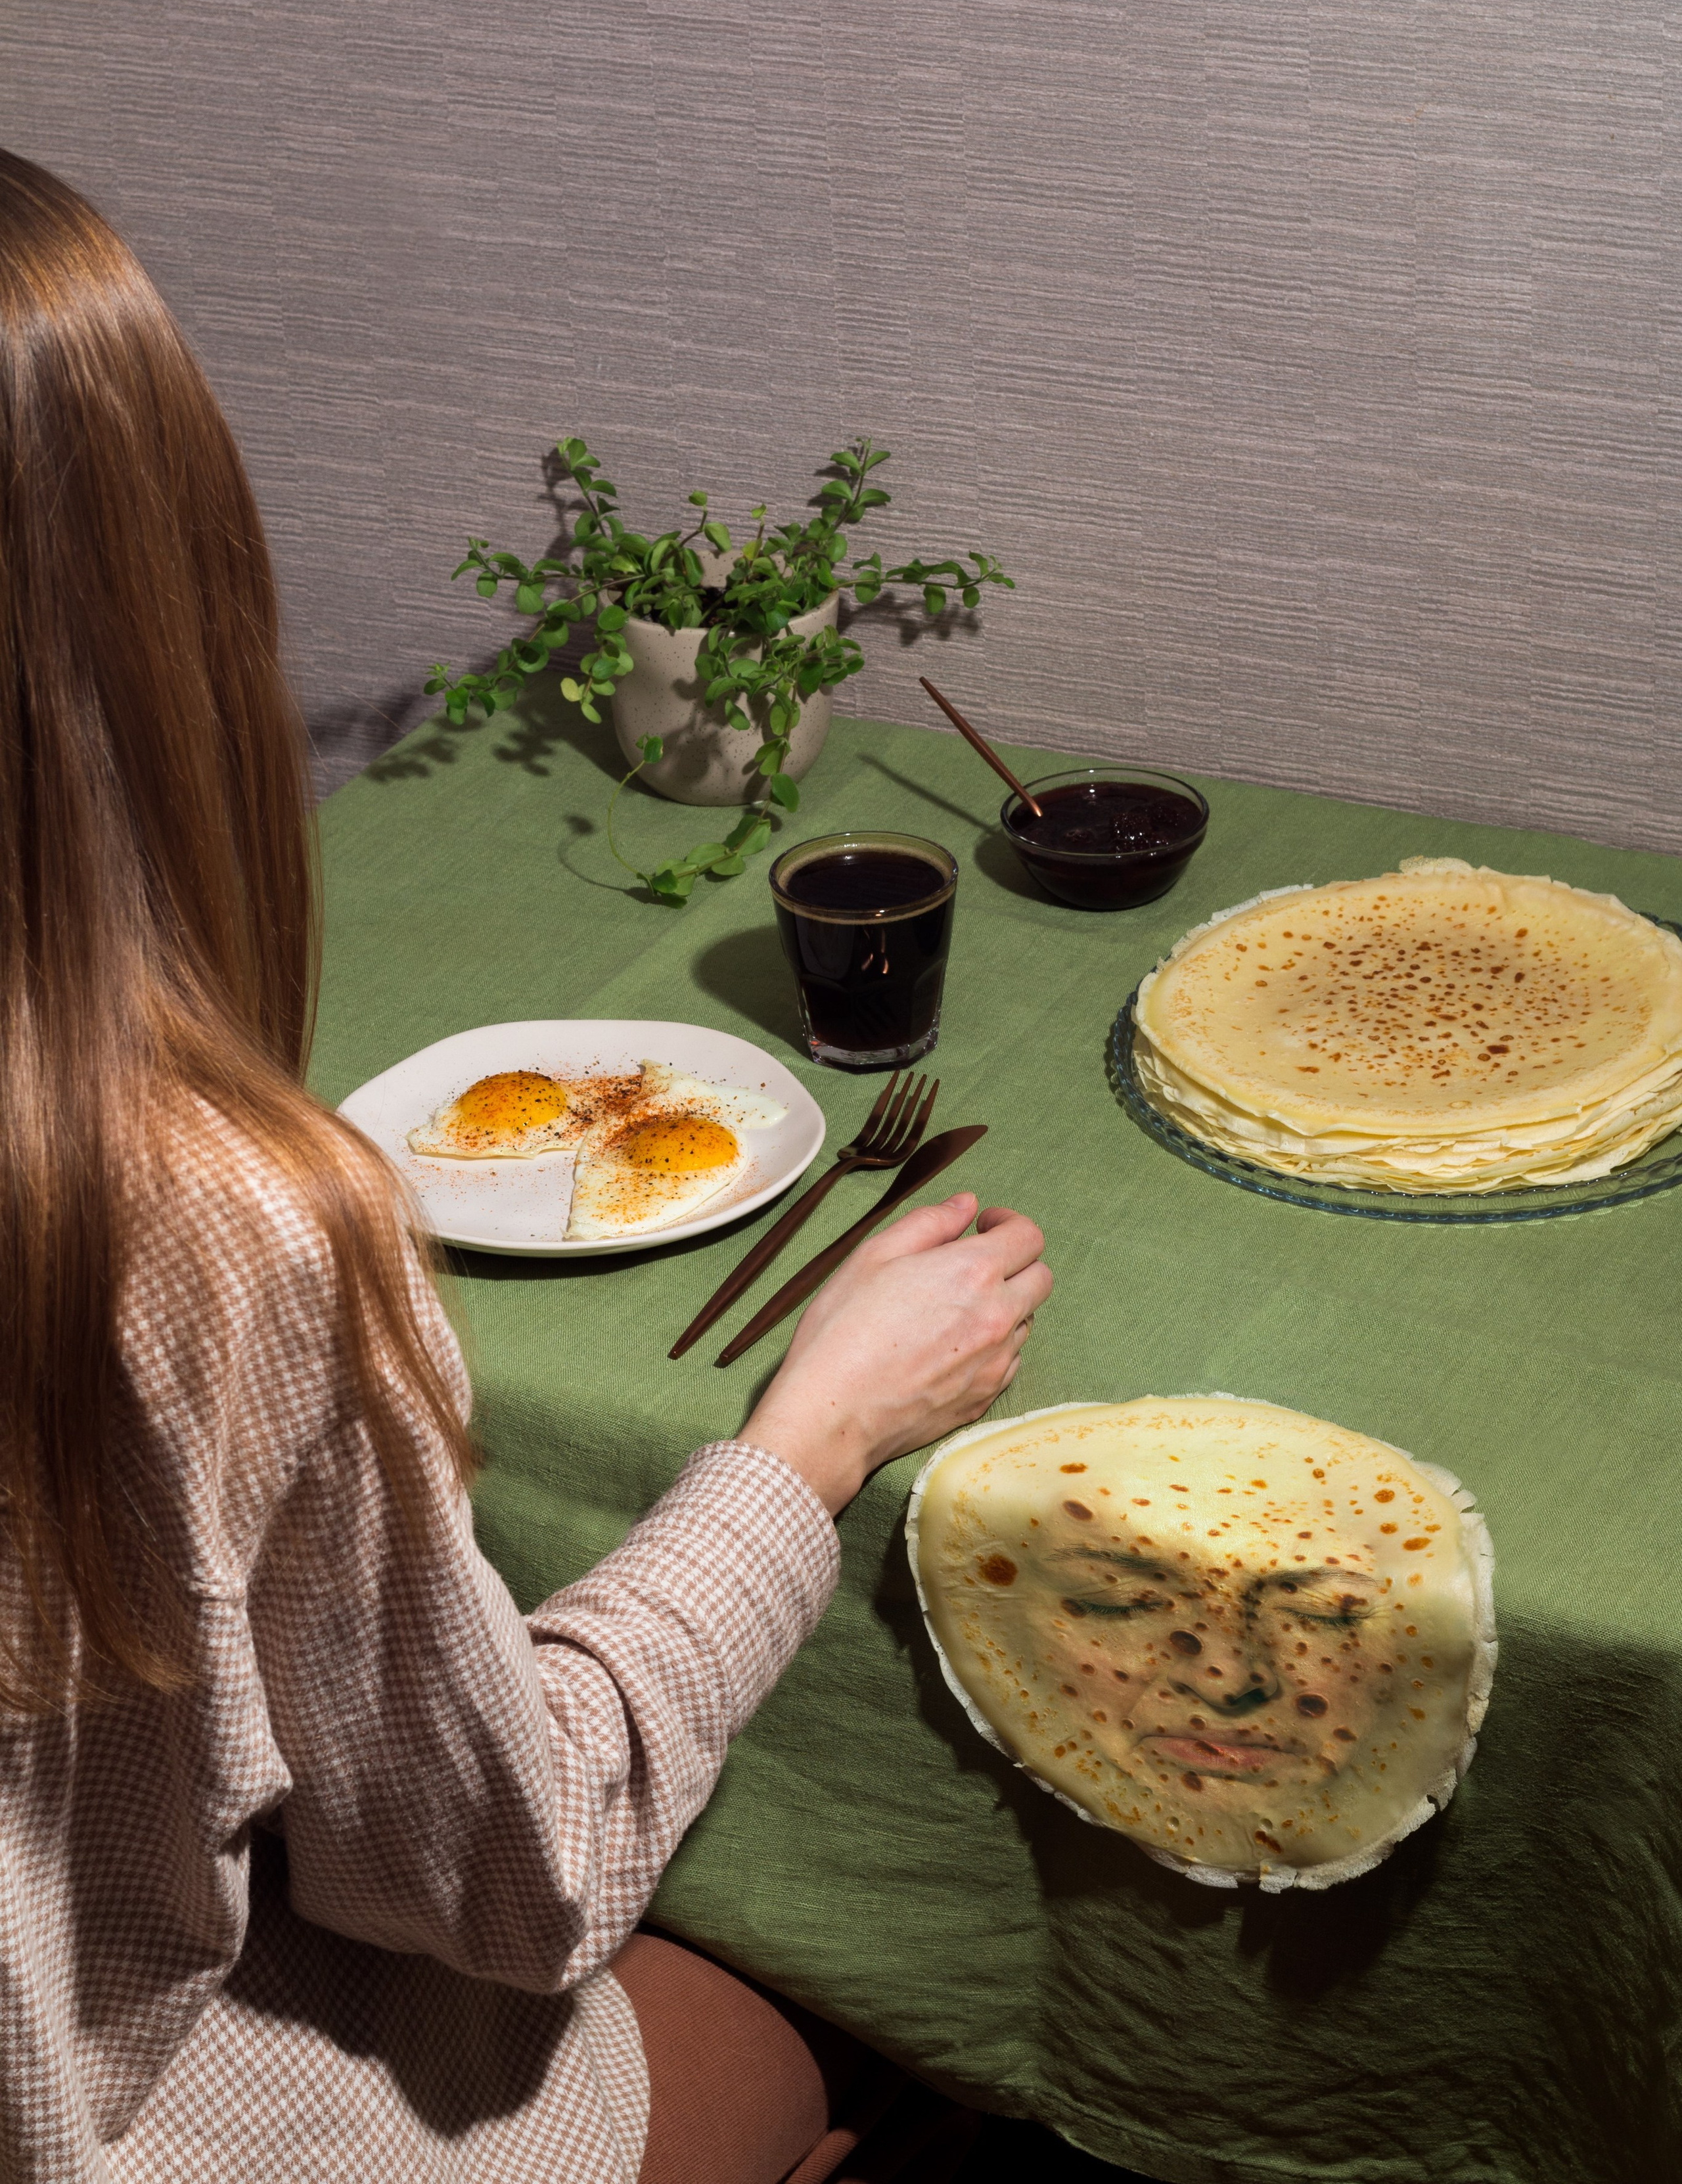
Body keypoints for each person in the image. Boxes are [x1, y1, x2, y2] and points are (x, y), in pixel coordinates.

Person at [0, 147, 1053, 2184]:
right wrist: (813, 1438)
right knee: (804, 2019)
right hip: (137, 2130)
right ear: (155, 603)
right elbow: (510, 1876)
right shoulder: (199, 1218)